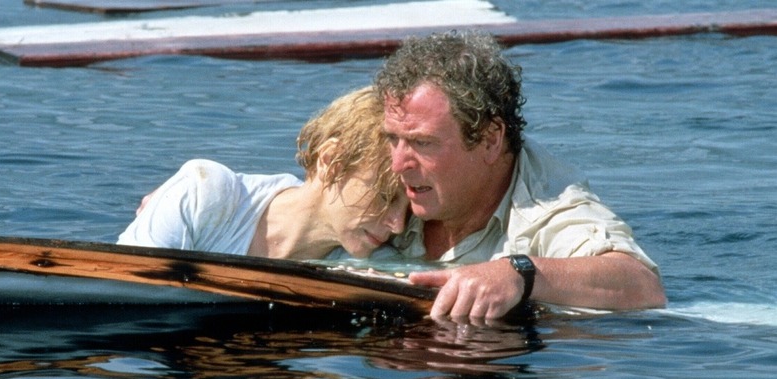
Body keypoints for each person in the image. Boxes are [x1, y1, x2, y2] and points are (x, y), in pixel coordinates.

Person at [374, 31, 666, 319]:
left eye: (423, 143)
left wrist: (519, 273)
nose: (398, 164)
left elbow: (642, 286)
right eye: (392, 139)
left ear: (490, 140)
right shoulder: (368, 165)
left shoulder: (545, 208)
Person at [118, 86, 408, 260]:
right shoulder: (204, 197)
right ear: (331, 161)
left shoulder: (376, 258)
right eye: (385, 195)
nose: (397, 224)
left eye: (408, 206)